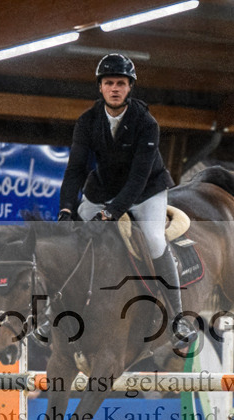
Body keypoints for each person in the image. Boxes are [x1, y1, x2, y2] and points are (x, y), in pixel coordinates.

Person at [54, 53, 195, 349]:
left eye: (120, 83)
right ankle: (61, 308)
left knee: (155, 240)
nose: (114, 88)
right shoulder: (87, 121)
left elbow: (138, 177)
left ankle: (178, 317)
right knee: (74, 235)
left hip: (146, 190)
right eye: (109, 83)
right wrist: (66, 209)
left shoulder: (146, 123)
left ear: (130, 87)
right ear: (101, 87)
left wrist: (112, 213)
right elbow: (76, 169)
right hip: (103, 187)